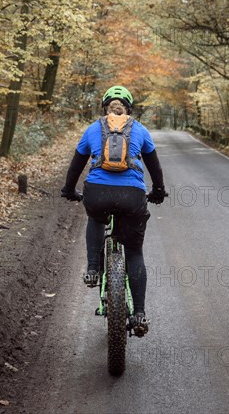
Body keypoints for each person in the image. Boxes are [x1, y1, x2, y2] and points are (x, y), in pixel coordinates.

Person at [61, 85, 167, 337]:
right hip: (132, 196)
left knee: (96, 217)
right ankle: (139, 313)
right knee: (134, 251)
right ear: (129, 109)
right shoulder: (140, 130)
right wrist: (158, 192)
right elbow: (155, 168)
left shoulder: (92, 129)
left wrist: (68, 190)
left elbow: (75, 166)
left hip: (97, 192)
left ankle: (93, 269)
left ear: (105, 107)